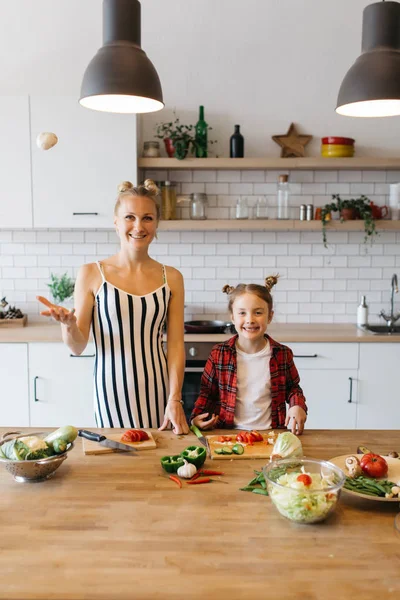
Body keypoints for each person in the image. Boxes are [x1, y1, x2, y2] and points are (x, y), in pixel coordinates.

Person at [37, 179, 189, 435]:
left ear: (157, 224)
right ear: (116, 223)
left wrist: (175, 398)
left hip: (157, 390)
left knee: (156, 465)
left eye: (147, 218)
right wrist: (69, 325)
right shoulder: (91, 273)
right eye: (130, 217)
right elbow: (77, 345)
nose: (139, 226)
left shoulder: (171, 277)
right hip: (110, 390)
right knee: (116, 463)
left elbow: (175, 345)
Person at [191, 275, 307, 435]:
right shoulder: (219, 353)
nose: (250, 319)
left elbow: (293, 388)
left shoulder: (282, 354)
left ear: (270, 316)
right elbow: (207, 393)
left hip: (271, 433)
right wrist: (196, 418)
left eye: (258, 312)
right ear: (232, 317)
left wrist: (297, 405)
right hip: (228, 434)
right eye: (242, 313)